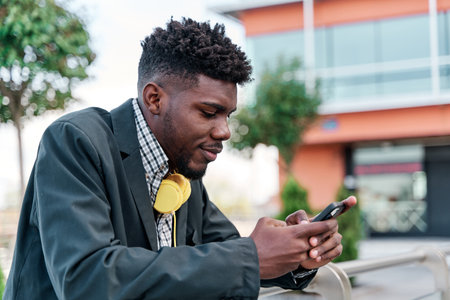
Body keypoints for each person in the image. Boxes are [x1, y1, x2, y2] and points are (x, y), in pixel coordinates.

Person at [4, 18, 356, 299]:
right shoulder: (76, 141)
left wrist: (295, 254)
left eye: (228, 115)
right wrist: (250, 255)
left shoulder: (183, 166)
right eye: (208, 112)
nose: (225, 132)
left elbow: (229, 256)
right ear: (154, 99)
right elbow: (87, 280)